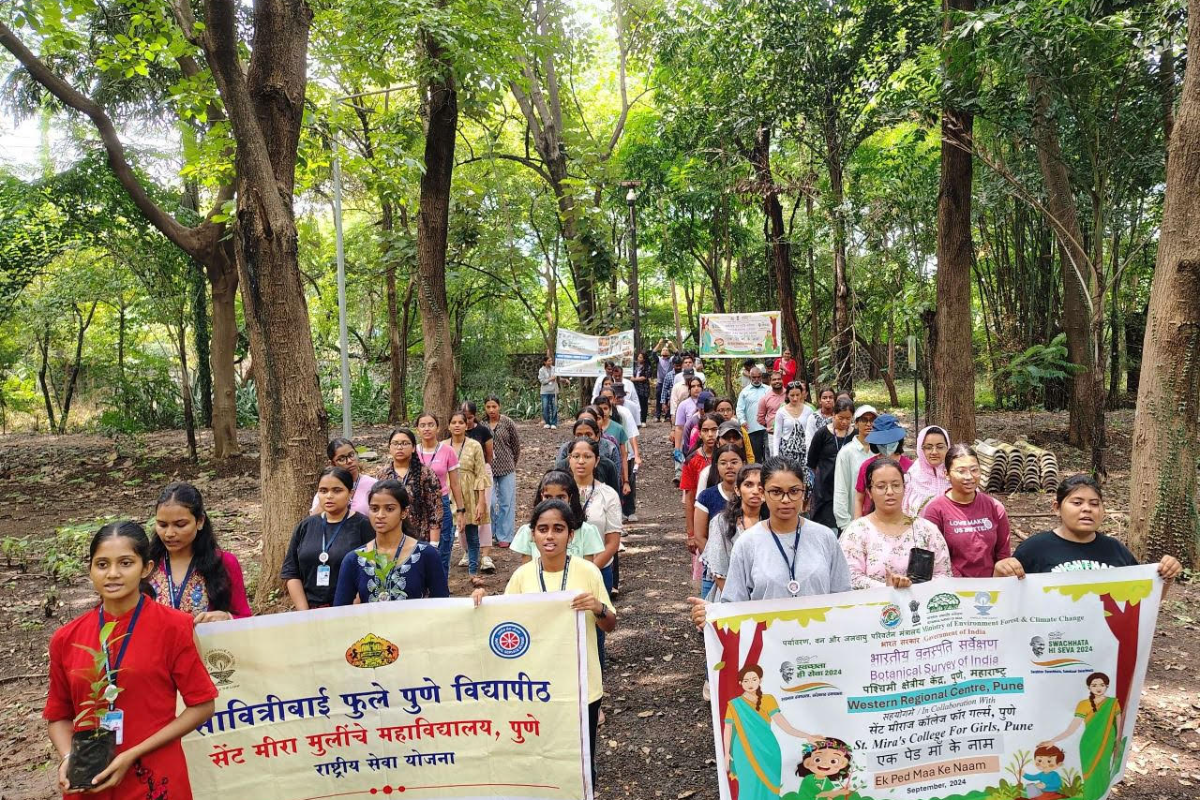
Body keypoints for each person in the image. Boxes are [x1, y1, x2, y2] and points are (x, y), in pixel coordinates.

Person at [45, 521, 217, 797]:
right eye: (102, 564)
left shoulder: (173, 627)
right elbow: (59, 716)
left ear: (146, 568)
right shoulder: (67, 638)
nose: (113, 574)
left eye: (125, 563)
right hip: (91, 780)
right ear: (90, 569)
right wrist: (68, 758)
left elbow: (202, 704)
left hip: (155, 776)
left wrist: (132, 754)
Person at [471, 499, 616, 787]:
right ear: (532, 535)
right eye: (543, 529)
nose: (550, 536)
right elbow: (503, 624)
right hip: (536, 688)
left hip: (581, 686)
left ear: (570, 535)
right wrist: (482, 603)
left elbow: (609, 625)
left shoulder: (587, 572)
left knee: (582, 760)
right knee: (541, 757)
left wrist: (597, 607)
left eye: (558, 529)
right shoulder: (522, 577)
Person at [687, 456, 850, 624]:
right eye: (776, 492)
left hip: (819, 641)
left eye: (794, 491)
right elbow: (734, 605)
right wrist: (714, 615)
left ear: (804, 492)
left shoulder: (825, 538)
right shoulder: (747, 544)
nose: (786, 500)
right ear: (763, 493)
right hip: (767, 646)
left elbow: (844, 598)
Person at [993, 473, 1182, 581]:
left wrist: (1166, 577)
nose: (1087, 509)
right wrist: (999, 573)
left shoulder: (1115, 549)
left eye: (1094, 503)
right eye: (1077, 503)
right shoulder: (1034, 549)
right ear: (1057, 508)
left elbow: (1141, 602)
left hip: (1104, 644)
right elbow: (1007, 604)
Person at [840, 458, 952, 589]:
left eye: (896, 485)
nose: (890, 492)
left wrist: (913, 588)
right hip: (873, 607)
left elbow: (944, 575)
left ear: (905, 488)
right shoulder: (856, 532)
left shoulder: (926, 530)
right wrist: (888, 587)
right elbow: (849, 577)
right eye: (881, 487)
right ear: (869, 492)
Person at [147, 483, 251, 622]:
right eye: (162, 525)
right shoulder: (147, 564)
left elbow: (245, 619)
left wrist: (226, 617)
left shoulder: (224, 562)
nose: (169, 533)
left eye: (180, 525)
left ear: (200, 521)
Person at [333, 480, 449, 604]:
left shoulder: (426, 554)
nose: (380, 515)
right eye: (374, 509)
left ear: (404, 512)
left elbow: (442, 604)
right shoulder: (354, 559)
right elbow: (340, 610)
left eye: (389, 509)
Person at [283, 467, 375, 609]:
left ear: (350, 493)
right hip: (310, 611)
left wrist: (351, 609)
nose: (329, 496)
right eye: (323, 491)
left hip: (351, 610)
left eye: (337, 490)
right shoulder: (306, 525)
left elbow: (372, 571)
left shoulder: (364, 526)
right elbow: (291, 572)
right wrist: (304, 612)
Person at [721, 664, 817, 800]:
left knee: (770, 787)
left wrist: (807, 736)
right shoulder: (734, 704)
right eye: (746, 680)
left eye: (754, 679)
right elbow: (728, 729)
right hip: (743, 750)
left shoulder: (768, 700)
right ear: (740, 683)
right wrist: (726, 754)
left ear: (760, 680)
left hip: (768, 750)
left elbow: (785, 726)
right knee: (748, 785)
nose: (750, 683)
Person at [920, 444, 1011, 577]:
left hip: (991, 587)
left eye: (974, 470)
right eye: (961, 471)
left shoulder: (995, 507)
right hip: (953, 587)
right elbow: (932, 556)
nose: (969, 477)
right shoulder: (935, 511)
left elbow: (1003, 554)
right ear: (946, 474)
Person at [1036, 673, 1123, 800]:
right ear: (1089, 687)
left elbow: (1119, 724)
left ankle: (1102, 796)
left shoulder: (1112, 703)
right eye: (1094, 685)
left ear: (1107, 686)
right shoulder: (1084, 704)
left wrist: (1118, 740)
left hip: (1106, 742)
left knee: (1103, 770)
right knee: (1089, 774)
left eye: (1102, 685)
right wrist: (1053, 741)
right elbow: (1073, 727)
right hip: (1088, 744)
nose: (1098, 688)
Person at [565, 438, 622, 594]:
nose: (581, 461)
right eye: (576, 456)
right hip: (561, 573)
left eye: (587, 456)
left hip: (599, 571)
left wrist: (589, 570)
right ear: (569, 459)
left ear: (596, 460)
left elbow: (612, 543)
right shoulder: (558, 492)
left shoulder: (608, 495)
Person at [701, 464, 766, 602]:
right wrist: (738, 606)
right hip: (730, 599)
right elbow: (719, 571)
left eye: (761, 486)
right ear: (737, 489)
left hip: (766, 598)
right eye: (748, 485)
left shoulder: (773, 522)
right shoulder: (722, 522)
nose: (755, 491)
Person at [511, 471, 607, 563]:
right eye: (548, 497)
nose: (554, 502)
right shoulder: (528, 532)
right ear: (541, 497)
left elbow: (588, 570)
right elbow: (526, 571)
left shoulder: (586, 532)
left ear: (570, 497)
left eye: (561, 497)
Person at [415, 412, 466, 574]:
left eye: (431, 425)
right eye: (422, 425)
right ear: (417, 430)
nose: (427, 429)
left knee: (443, 547)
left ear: (437, 428)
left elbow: (456, 484)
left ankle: (442, 588)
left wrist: (460, 510)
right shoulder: (412, 452)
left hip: (441, 502)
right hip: (417, 505)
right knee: (418, 547)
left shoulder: (447, 451)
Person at [693, 444, 746, 597]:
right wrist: (716, 564)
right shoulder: (707, 496)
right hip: (713, 572)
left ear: (743, 463)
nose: (729, 467)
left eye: (734, 462)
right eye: (723, 463)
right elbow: (700, 537)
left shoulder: (751, 496)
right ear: (716, 466)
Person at [377, 427, 444, 543]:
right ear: (389, 448)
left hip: (420, 538)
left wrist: (434, 544)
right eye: (395, 443)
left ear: (413, 448)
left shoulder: (426, 474)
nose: (399, 447)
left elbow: (434, 510)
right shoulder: (382, 475)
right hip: (390, 537)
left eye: (404, 443)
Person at [447, 411, 492, 575]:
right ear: (448, 426)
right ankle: (443, 573)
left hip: (470, 492)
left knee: (472, 534)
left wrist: (481, 501)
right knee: (448, 535)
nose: (457, 425)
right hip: (449, 492)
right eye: (454, 422)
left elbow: (481, 473)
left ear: (467, 426)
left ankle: (473, 572)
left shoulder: (474, 445)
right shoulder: (444, 446)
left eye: (461, 422)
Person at [806, 398, 856, 531]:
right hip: (825, 488)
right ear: (833, 414)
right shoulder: (822, 434)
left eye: (848, 418)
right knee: (826, 526)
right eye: (841, 418)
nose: (844, 422)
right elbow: (811, 461)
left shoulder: (856, 435)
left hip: (848, 485)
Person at [853, 414, 913, 518]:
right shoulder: (867, 466)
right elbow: (859, 499)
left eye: (890, 441)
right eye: (882, 442)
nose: (886, 445)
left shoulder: (911, 467)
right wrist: (856, 526)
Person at [683, 414, 723, 567]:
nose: (710, 435)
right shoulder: (692, 460)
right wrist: (691, 534)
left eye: (714, 430)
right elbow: (690, 498)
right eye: (705, 430)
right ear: (699, 433)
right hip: (703, 521)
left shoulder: (728, 457)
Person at [832, 404, 877, 532]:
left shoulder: (880, 451)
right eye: (864, 420)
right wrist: (846, 525)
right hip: (853, 522)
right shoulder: (847, 453)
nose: (869, 424)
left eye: (872, 420)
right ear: (856, 423)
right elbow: (841, 490)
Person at [484, 396, 521, 548]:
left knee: (507, 502)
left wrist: (513, 462)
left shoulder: (508, 422)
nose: (491, 410)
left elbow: (516, 445)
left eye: (494, 406)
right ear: (485, 408)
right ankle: (490, 532)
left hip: (506, 467)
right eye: (488, 407)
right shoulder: (482, 424)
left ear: (499, 406)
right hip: (487, 469)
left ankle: (505, 535)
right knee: (490, 503)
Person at [462, 401, 496, 566]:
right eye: (463, 418)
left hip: (482, 473)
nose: (466, 422)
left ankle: (485, 554)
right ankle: (468, 552)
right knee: (464, 512)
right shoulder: (455, 434)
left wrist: (482, 469)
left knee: (483, 511)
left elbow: (489, 454)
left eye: (469, 418)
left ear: (474, 416)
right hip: (462, 476)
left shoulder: (483, 431)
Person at [310, 438, 377, 517]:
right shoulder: (326, 490)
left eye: (351, 455)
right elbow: (314, 520)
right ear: (332, 463)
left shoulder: (373, 485)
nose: (349, 461)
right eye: (341, 459)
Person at [903, 425, 951, 518]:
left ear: (947, 447)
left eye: (940, 447)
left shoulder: (956, 473)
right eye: (928, 447)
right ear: (921, 449)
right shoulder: (913, 477)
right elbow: (904, 512)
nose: (934, 452)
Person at [771, 380, 813, 462]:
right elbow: (777, 435)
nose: (795, 398)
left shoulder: (809, 411)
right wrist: (775, 455)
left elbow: (811, 433)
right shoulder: (781, 412)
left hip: (804, 452)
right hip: (786, 452)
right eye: (792, 395)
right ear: (787, 395)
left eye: (798, 395)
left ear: (802, 394)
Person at [736, 367, 770, 462]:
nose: (756, 380)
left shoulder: (769, 390)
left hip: (767, 428)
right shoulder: (745, 392)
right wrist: (742, 421)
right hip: (752, 429)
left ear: (761, 377)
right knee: (756, 457)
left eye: (758, 377)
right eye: (753, 377)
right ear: (750, 377)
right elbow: (739, 409)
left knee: (769, 455)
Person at [756, 371, 786, 438]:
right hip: (772, 434)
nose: (777, 381)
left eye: (779, 379)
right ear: (770, 382)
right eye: (774, 380)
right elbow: (760, 418)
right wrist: (770, 425)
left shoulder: (789, 395)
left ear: (782, 380)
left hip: (788, 433)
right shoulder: (765, 398)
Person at [657, 348, 678, 422]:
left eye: (666, 350)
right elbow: (653, 354)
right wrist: (659, 344)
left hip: (672, 385)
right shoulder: (659, 359)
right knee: (660, 398)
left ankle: (668, 416)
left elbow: (677, 355)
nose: (665, 351)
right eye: (663, 350)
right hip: (661, 382)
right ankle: (658, 415)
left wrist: (671, 345)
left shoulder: (671, 359)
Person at [538, 355, 559, 430]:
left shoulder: (555, 369)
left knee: (554, 407)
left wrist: (565, 380)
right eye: (549, 361)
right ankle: (547, 422)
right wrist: (551, 379)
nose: (551, 362)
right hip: (545, 392)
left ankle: (554, 423)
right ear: (545, 362)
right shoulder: (541, 370)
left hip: (554, 391)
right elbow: (542, 381)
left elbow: (558, 377)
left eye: (551, 360)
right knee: (545, 407)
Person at [632, 351, 652, 425]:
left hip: (644, 388)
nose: (638, 358)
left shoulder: (647, 367)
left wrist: (634, 379)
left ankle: (643, 420)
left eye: (640, 357)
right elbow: (631, 374)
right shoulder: (635, 366)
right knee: (636, 403)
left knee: (643, 404)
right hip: (635, 387)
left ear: (644, 359)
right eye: (638, 357)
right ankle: (637, 419)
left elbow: (644, 377)